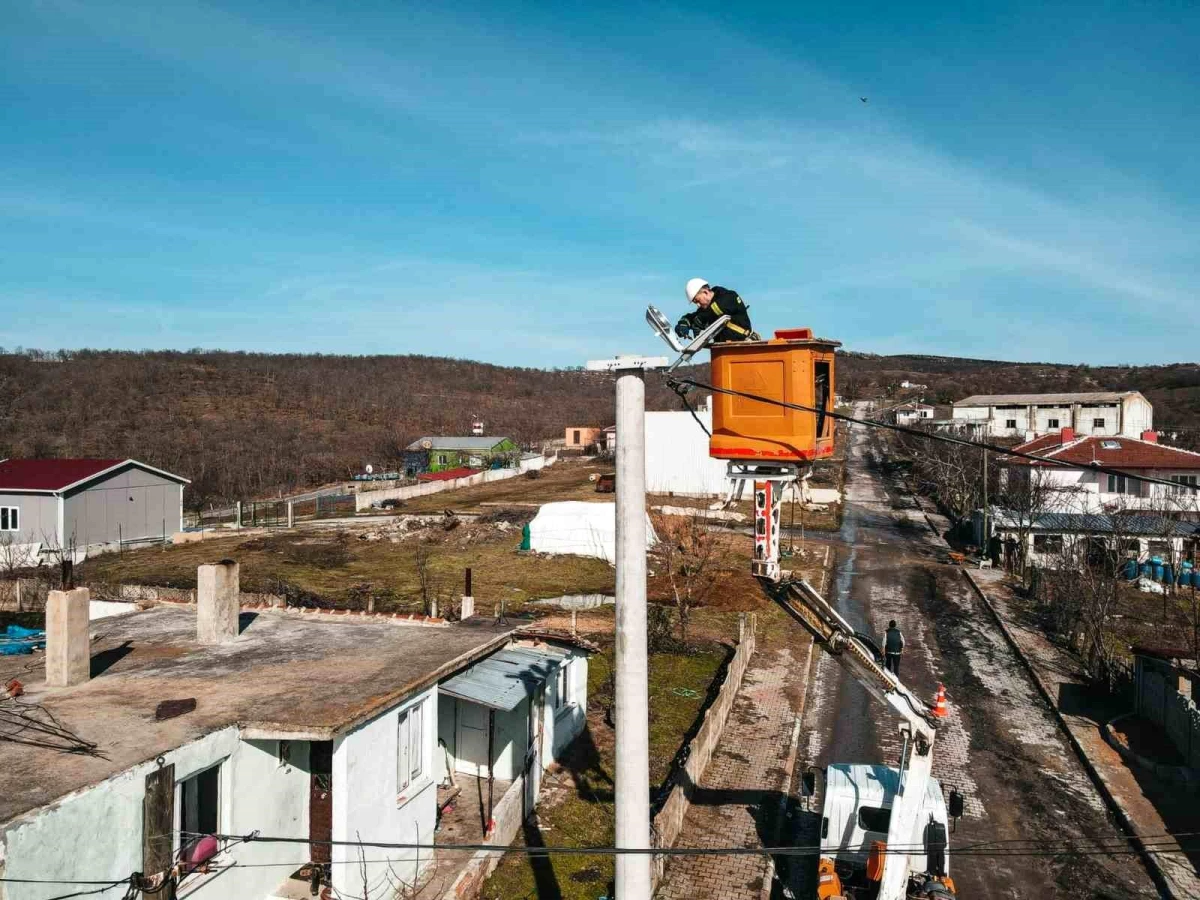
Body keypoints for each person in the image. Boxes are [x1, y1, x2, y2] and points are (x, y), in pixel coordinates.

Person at [675, 278, 758, 344]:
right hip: (724, 350)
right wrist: (684, 323)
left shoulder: (729, 297)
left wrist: (700, 320)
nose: (698, 305)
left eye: (698, 301)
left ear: (705, 292)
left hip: (744, 346)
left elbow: (716, 310)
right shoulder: (706, 309)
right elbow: (697, 316)